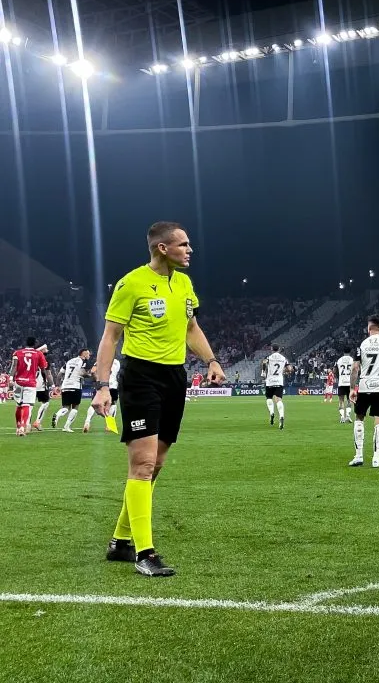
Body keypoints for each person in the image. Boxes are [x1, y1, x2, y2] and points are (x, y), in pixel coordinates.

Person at [91, 221, 224, 577]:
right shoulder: (131, 283)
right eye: (183, 244)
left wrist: (210, 360)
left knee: (157, 464)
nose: (189, 249)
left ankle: (120, 541)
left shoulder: (183, 283)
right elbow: (110, 336)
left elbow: (191, 328)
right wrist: (103, 384)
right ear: (162, 248)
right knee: (143, 464)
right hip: (140, 377)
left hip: (173, 377)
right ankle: (144, 554)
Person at [349, 314, 379, 468]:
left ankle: (359, 456)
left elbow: (355, 368)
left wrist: (352, 389)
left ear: (369, 326)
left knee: (359, 419)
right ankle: (376, 459)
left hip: (365, 386)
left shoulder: (362, 344)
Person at [8, 337, 48, 436]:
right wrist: (44, 380)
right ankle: (22, 427)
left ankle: (18, 427)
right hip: (30, 383)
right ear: (35, 344)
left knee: (18, 405)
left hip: (18, 382)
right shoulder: (39, 354)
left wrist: (10, 379)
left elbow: (14, 366)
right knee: (26, 405)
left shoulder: (17, 352)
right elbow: (43, 369)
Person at [52, 348, 92, 433]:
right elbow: (83, 373)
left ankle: (58, 414)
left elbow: (59, 374)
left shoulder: (69, 361)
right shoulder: (84, 362)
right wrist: (90, 374)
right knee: (75, 407)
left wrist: (57, 385)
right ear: (84, 354)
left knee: (66, 407)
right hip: (76, 386)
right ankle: (66, 427)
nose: (89, 355)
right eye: (88, 354)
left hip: (65, 386)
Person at [83, 357, 121, 433]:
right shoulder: (117, 363)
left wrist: (97, 380)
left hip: (102, 385)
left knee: (94, 404)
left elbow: (93, 371)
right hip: (113, 385)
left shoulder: (101, 360)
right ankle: (109, 425)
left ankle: (87, 422)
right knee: (113, 404)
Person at [263, 344, 290, 429]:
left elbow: (264, 362)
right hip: (279, 381)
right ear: (279, 349)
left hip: (270, 381)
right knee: (278, 399)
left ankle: (271, 412)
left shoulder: (269, 357)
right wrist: (285, 371)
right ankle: (281, 416)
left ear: (271, 349)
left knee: (269, 398)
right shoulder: (283, 358)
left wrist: (263, 372)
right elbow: (289, 368)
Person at [31, 346, 54, 431]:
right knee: (45, 402)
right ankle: (37, 421)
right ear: (41, 350)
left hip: (29, 384)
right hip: (41, 385)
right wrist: (52, 385)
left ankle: (27, 425)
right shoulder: (45, 359)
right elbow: (48, 373)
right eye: (46, 349)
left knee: (28, 405)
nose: (47, 350)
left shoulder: (29, 358)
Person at [336, 348, 354, 423]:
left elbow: (336, 371)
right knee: (349, 400)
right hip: (350, 383)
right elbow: (355, 370)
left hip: (341, 382)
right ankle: (348, 416)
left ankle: (342, 417)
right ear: (350, 352)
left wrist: (339, 377)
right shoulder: (352, 360)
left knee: (341, 401)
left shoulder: (339, 360)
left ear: (343, 352)